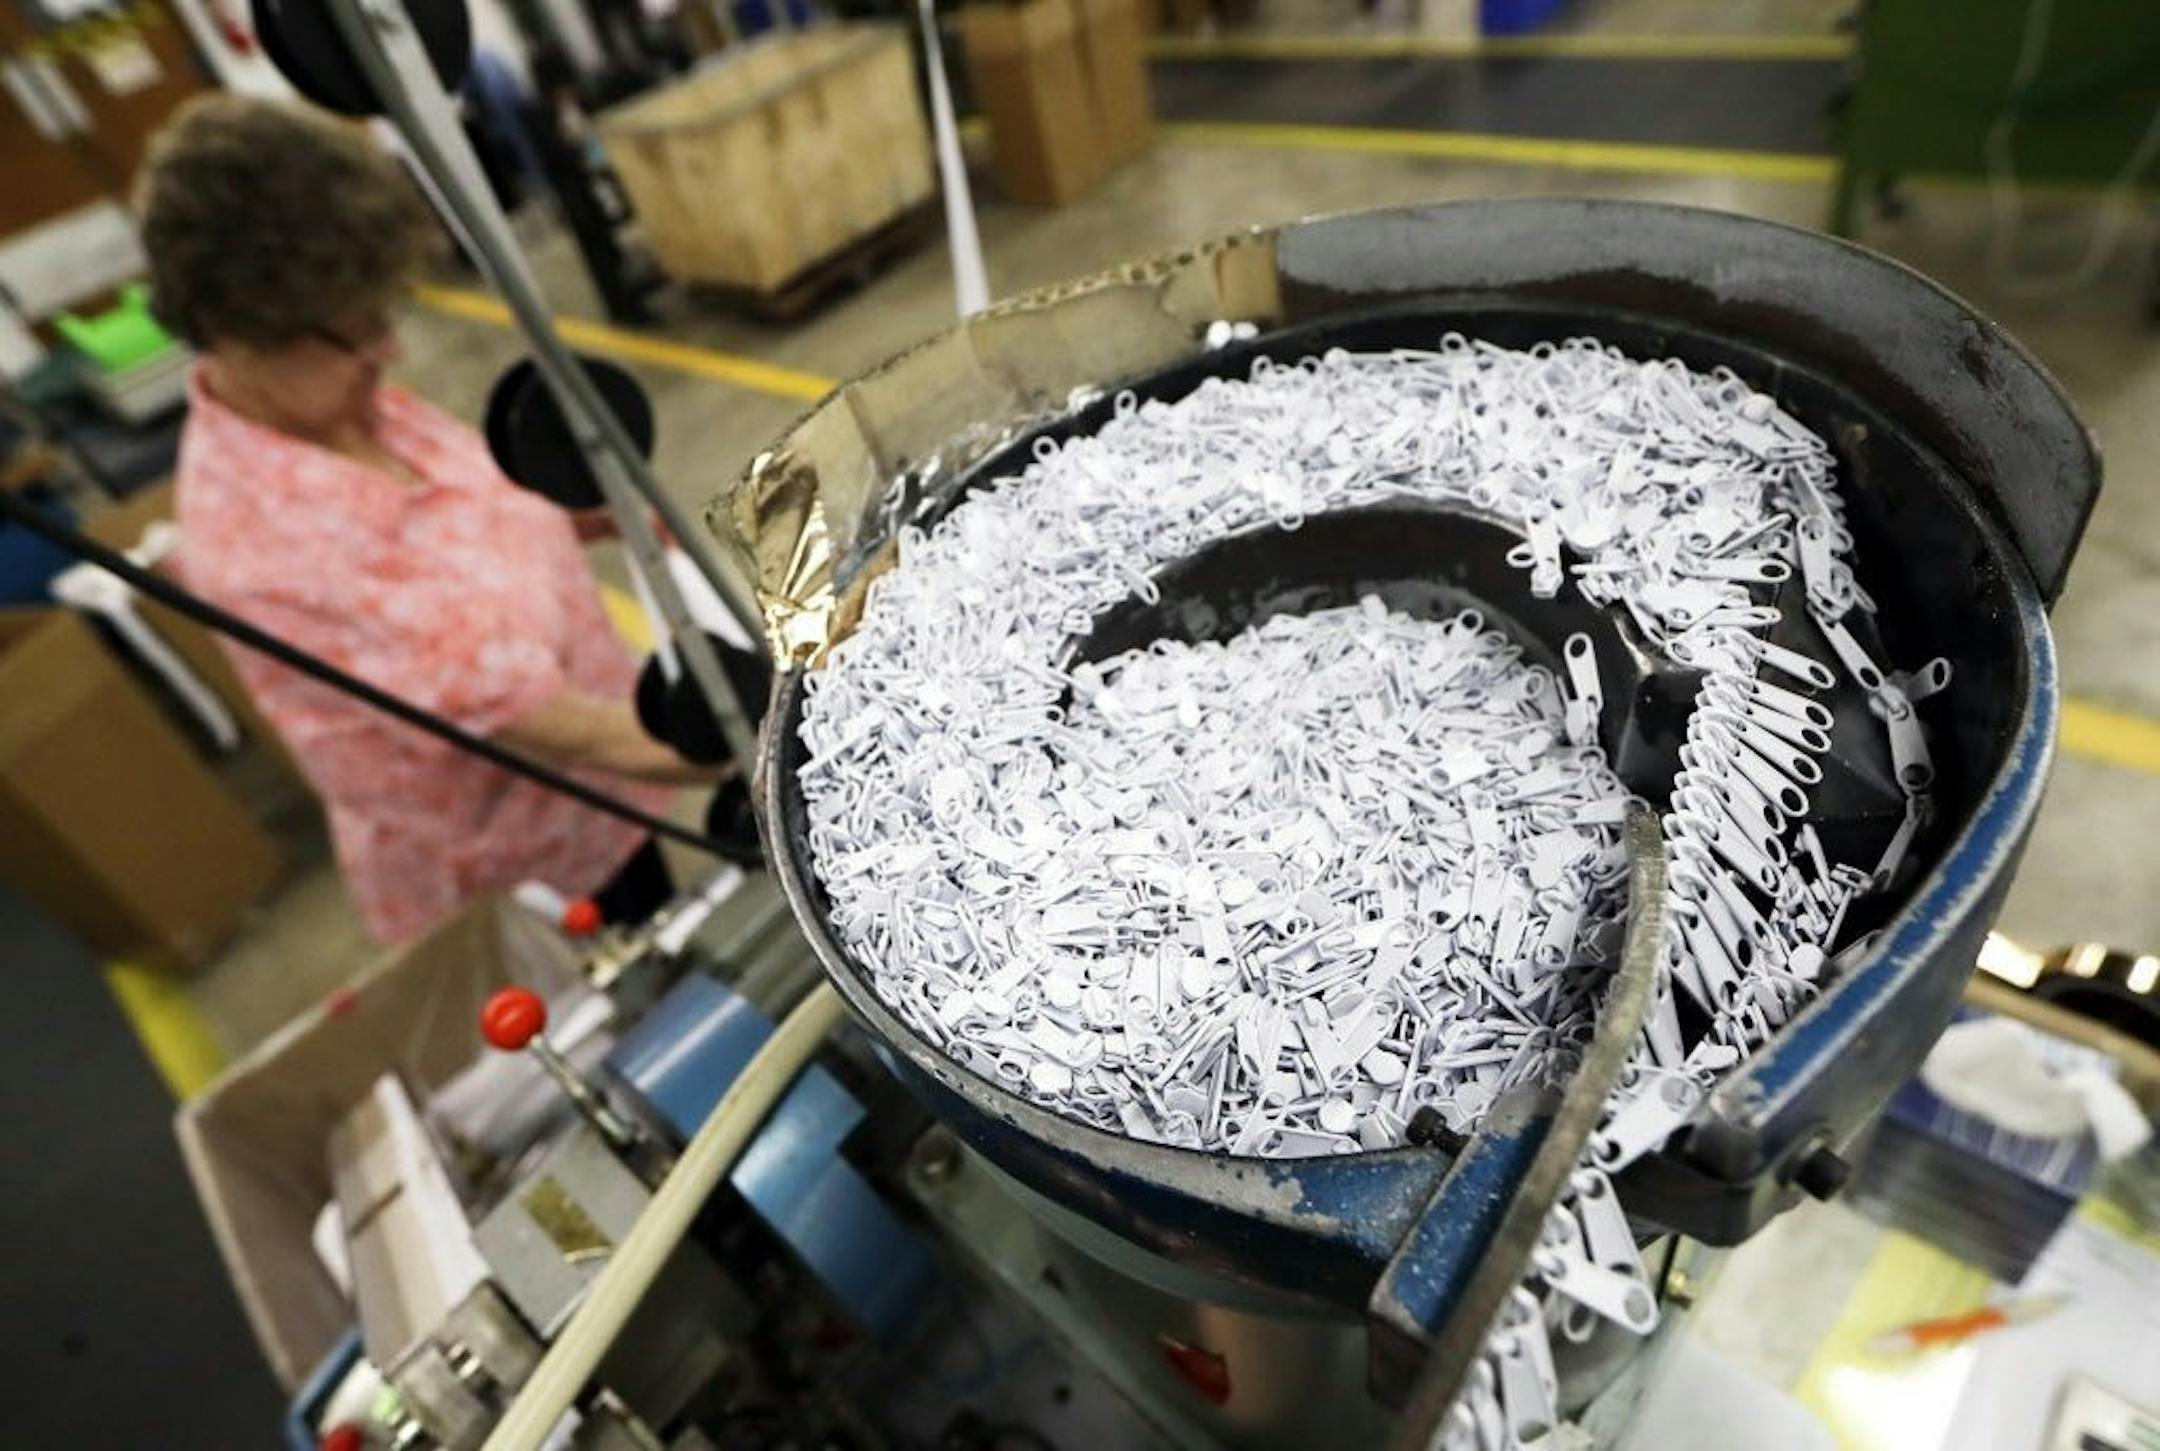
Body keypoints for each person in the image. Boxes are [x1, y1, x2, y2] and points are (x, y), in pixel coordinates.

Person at [137, 94, 710, 945]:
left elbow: (475, 511)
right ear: (237, 329)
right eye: (355, 330)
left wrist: (589, 512)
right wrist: (744, 737)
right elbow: (551, 726)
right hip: (533, 869)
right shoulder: (265, 548)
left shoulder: (340, 406)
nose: (388, 351)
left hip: (614, 794)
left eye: (381, 314)